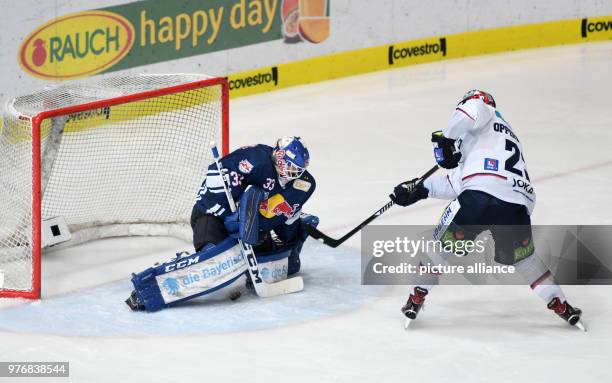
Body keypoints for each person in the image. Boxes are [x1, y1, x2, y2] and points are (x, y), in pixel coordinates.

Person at [389, 90, 584, 329]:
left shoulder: (484, 110)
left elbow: (473, 109)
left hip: (478, 199)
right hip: (515, 207)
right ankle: (561, 304)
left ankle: (416, 296)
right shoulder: (494, 140)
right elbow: (457, 182)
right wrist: (420, 189)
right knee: (525, 260)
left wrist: (447, 138)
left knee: (442, 247)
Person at [125, 136, 317, 311]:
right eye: (290, 166)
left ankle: (289, 252)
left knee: (270, 248)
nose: (293, 173)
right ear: (280, 156)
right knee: (211, 257)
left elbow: (281, 212)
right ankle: (161, 281)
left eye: (297, 169)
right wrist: (236, 206)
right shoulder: (255, 159)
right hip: (211, 215)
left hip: (251, 228)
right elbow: (214, 176)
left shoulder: (301, 183)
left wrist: (263, 225)